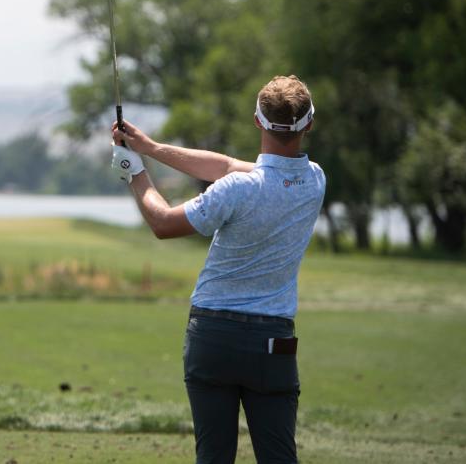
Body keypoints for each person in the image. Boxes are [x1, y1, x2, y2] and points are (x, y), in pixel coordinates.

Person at [110, 75, 325, 464]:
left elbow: (163, 223)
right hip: (274, 344)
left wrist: (134, 169)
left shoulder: (237, 189)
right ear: (308, 124)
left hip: (213, 338)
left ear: (257, 121)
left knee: (213, 458)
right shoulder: (314, 181)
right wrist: (150, 147)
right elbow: (226, 164)